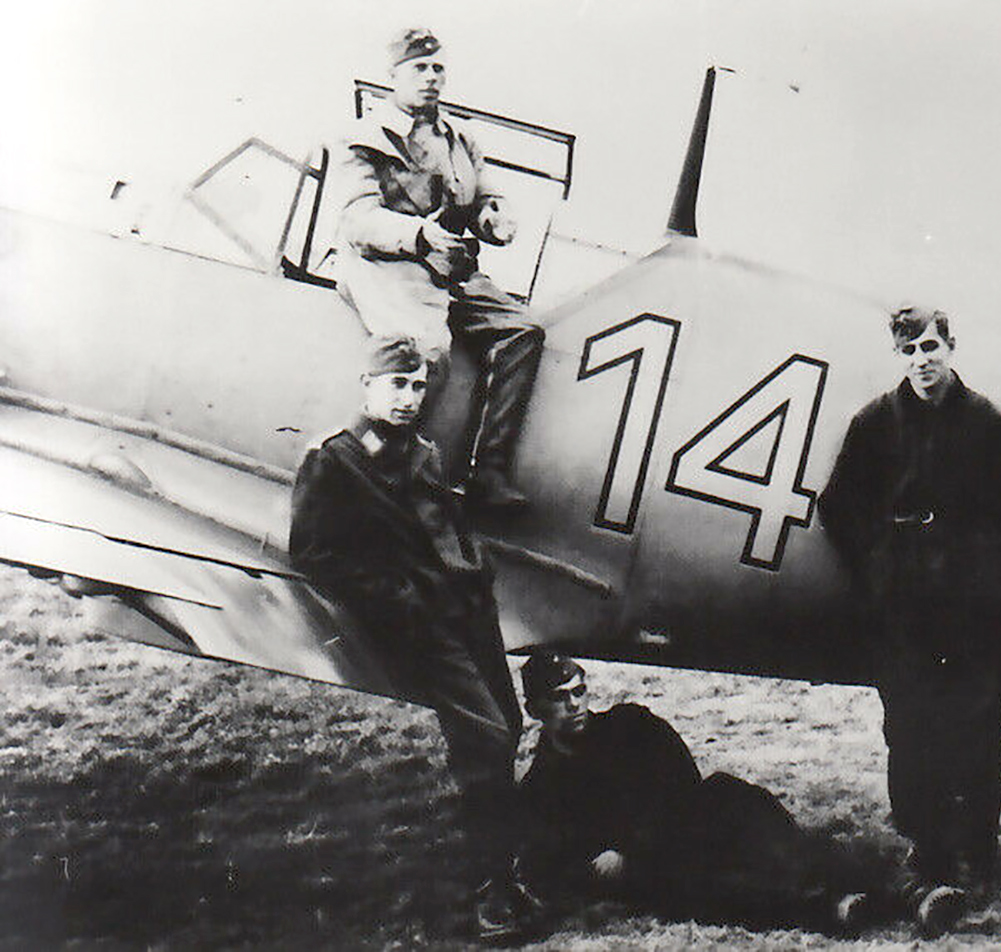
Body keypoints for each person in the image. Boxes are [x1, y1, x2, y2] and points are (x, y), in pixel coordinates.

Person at [289, 336, 536, 942]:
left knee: (507, 725)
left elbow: (446, 528)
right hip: (424, 627)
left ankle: (503, 871)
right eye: (396, 384)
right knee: (487, 738)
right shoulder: (335, 459)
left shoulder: (421, 452)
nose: (408, 398)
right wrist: (398, 604)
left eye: (418, 386)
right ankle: (490, 893)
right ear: (367, 385)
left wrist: (478, 570)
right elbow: (314, 554)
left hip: (469, 615)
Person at [817, 305, 1001, 937]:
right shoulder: (875, 423)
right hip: (904, 608)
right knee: (909, 723)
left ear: (951, 347)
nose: (923, 359)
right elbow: (838, 507)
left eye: (932, 346)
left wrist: (983, 571)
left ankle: (975, 848)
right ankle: (923, 845)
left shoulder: (987, 423)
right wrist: (879, 572)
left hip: (973, 610)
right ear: (899, 355)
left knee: (977, 722)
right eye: (911, 349)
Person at [333, 27, 543, 509]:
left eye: (437, 68)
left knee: (522, 332)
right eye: (419, 68)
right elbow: (358, 221)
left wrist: (495, 216)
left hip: (446, 265)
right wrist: (420, 236)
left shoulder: (459, 138)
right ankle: (376, 483)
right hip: (386, 264)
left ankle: (487, 473)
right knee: (422, 351)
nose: (430, 78)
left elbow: (485, 194)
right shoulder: (364, 137)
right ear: (393, 76)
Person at [517, 650, 874, 935]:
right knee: (703, 892)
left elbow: (683, 780)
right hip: (657, 865)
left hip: (693, 821)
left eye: (580, 691)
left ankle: (875, 882)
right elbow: (556, 859)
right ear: (535, 710)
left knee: (734, 798)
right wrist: (603, 864)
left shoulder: (632, 725)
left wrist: (630, 844)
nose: (575, 705)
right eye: (559, 698)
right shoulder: (542, 785)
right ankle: (829, 908)